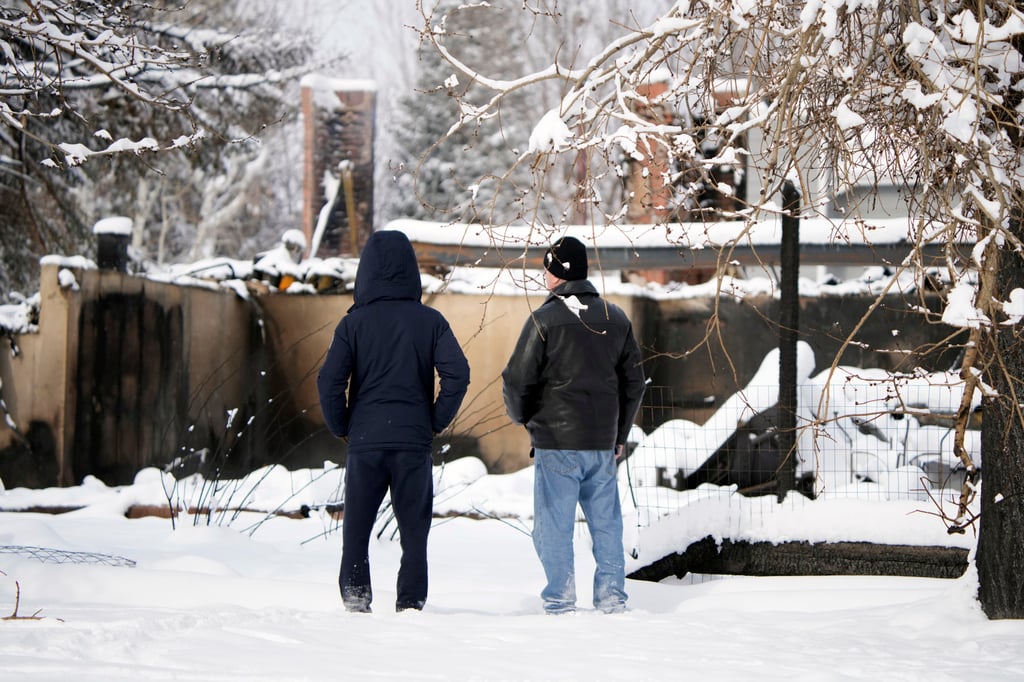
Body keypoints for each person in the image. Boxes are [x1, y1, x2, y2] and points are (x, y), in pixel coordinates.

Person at [317, 230, 470, 613]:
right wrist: (435, 420)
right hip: (413, 442)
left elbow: (329, 380)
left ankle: (355, 597)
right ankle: (411, 604)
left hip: (366, 439)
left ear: (365, 272)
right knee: (414, 534)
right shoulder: (431, 321)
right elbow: (458, 374)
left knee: (356, 529)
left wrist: (342, 426)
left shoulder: (352, 325)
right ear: (411, 271)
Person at [501, 236, 645, 615]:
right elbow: (634, 383)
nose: (543, 274)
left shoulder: (544, 320)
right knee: (607, 525)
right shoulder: (616, 319)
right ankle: (612, 599)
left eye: (547, 267)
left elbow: (516, 381)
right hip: (601, 443)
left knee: (553, 527)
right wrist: (619, 435)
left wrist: (526, 419)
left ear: (559, 271)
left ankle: (560, 602)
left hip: (557, 443)